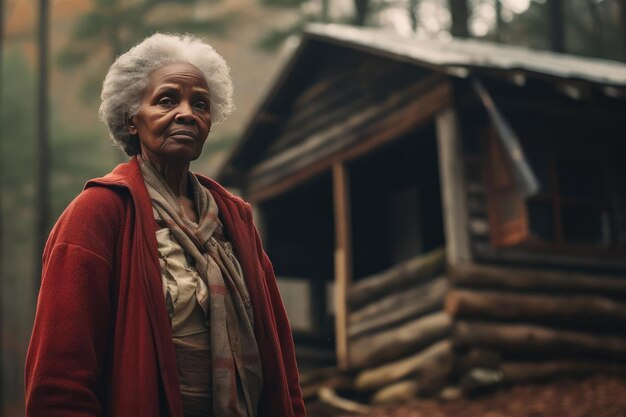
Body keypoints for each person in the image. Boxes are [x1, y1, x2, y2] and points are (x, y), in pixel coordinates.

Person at [25, 33, 305, 417]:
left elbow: (281, 365)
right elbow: (60, 379)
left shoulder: (234, 219)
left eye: (200, 104)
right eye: (167, 100)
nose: (187, 113)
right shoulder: (98, 213)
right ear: (131, 120)